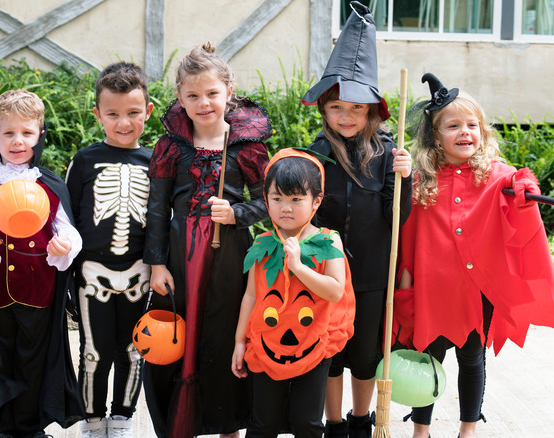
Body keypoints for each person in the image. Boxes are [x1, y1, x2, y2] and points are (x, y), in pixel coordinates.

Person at [394, 73, 554, 438]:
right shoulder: (420, 181)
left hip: (476, 289)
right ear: (436, 137)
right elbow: (407, 236)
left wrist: (525, 188)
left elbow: (519, 188)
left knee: (472, 357)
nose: (465, 132)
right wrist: (406, 287)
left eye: (472, 125)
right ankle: (422, 429)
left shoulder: (496, 176)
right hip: (433, 290)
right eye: (454, 126)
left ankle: (468, 428)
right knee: (427, 358)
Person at [143, 42, 271, 438]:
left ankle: (228, 426)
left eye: (212, 93)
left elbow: (270, 201)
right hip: (180, 258)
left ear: (229, 93)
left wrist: (237, 213)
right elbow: (157, 209)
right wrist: (157, 263)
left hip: (229, 258)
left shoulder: (247, 148)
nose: (204, 103)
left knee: (222, 334)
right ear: (179, 98)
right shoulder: (171, 147)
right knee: (179, 338)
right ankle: (179, 425)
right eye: (193, 95)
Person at [301, 3, 413, 437]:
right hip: (324, 273)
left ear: (372, 112)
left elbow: (394, 217)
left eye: (356, 108)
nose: (345, 117)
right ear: (324, 108)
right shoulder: (314, 153)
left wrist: (403, 179)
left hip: (370, 274)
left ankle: (361, 420)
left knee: (365, 353)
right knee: (329, 350)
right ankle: (332, 424)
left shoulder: (387, 155)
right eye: (336, 108)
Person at [0, 89, 84, 438]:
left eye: (26, 132)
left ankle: (29, 430)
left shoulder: (50, 186)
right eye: (8, 133)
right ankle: (5, 426)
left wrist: (63, 245)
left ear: (39, 135)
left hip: (38, 288)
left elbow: (69, 231)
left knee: (34, 360)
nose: (17, 141)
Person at [232, 148, 355, 438]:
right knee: (263, 424)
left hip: (313, 343)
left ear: (316, 201)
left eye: (296, 199)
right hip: (266, 345)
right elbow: (251, 295)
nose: (286, 207)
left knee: (307, 423)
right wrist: (239, 341)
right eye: (277, 199)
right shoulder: (262, 243)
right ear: (266, 200)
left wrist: (298, 267)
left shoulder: (328, 240)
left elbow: (335, 291)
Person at [64, 61, 154, 438]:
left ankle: (122, 418)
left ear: (148, 112)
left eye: (133, 113)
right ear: (98, 113)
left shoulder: (155, 163)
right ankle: (92, 419)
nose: (123, 123)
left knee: (133, 351)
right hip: (91, 274)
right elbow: (66, 221)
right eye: (113, 114)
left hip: (139, 272)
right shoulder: (83, 161)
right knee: (93, 351)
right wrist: (67, 278)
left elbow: (161, 222)